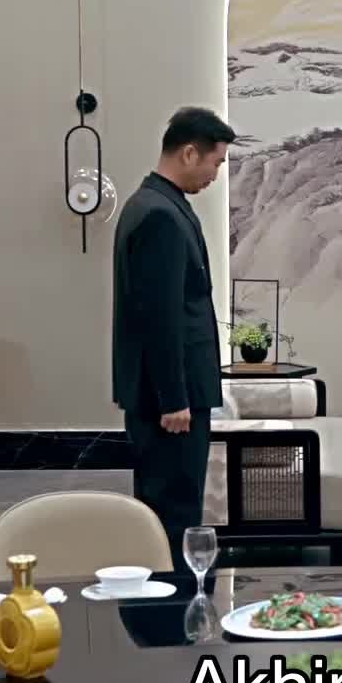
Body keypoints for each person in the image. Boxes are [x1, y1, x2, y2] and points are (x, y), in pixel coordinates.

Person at [112, 106, 234, 566]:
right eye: (216, 162)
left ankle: (173, 598)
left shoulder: (158, 204)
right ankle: (174, 603)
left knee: (172, 507)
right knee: (173, 513)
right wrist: (173, 399)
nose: (216, 175)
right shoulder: (158, 215)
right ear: (188, 153)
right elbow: (159, 318)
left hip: (171, 395)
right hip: (169, 404)